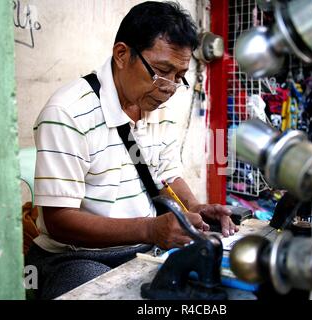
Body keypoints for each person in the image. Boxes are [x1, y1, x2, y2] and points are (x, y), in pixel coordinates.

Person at [26, 1, 238, 300]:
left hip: (144, 248)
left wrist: (195, 209)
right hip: (75, 257)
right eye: (163, 71)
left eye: (179, 76)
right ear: (122, 54)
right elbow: (59, 221)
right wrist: (150, 230)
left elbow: (166, 176)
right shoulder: (67, 112)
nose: (169, 87)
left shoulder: (158, 106)